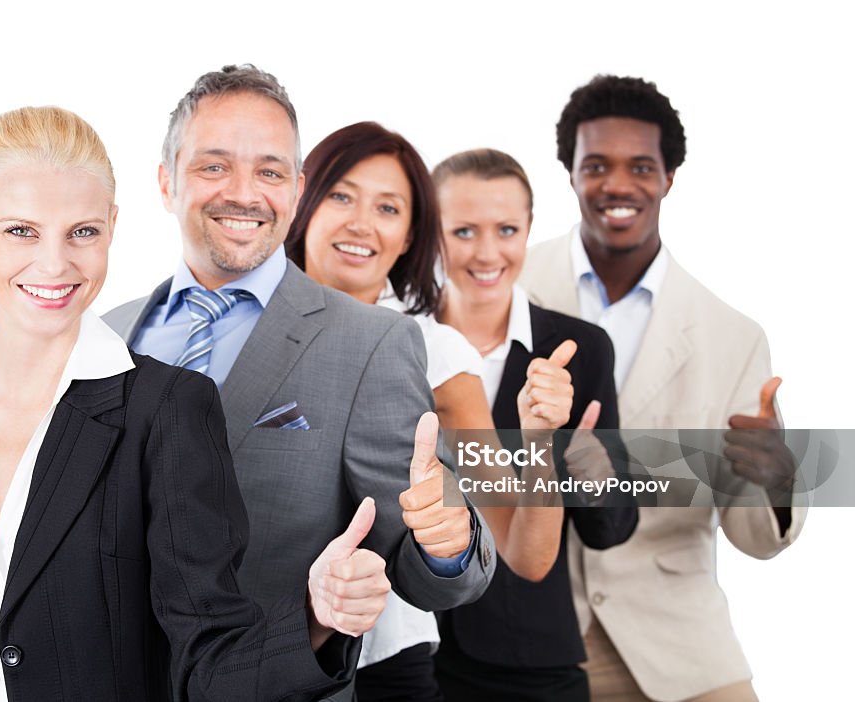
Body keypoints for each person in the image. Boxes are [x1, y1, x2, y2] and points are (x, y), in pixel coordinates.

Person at [0, 106, 393, 702]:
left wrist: (316, 620)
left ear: (110, 227)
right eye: (21, 230)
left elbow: (205, 662)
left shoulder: (166, 410)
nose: (54, 263)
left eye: (81, 232)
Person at [102, 66, 496, 701]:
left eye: (269, 171)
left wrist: (449, 539)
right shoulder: (101, 338)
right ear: (165, 180)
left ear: (295, 188)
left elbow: (435, 574)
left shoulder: (373, 345)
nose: (244, 192)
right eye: (213, 166)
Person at [518, 74, 807, 702]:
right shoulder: (507, 288)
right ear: (569, 172)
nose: (618, 185)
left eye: (641, 167)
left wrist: (777, 479)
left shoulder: (733, 337)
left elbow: (757, 539)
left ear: (669, 178)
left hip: (677, 644)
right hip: (530, 629)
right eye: (596, 165)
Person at [284, 122, 568, 701]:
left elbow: (522, 550)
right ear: (301, 200)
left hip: (383, 666)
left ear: (412, 234)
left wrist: (539, 441)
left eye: (388, 207)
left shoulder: (433, 351)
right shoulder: (237, 325)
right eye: (342, 195)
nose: (362, 223)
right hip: (245, 650)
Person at [427, 148, 637, 701]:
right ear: (431, 231)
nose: (488, 252)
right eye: (464, 231)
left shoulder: (579, 350)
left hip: (526, 655)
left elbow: (608, 531)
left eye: (507, 229)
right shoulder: (396, 338)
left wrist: (591, 474)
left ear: (529, 230)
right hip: (403, 652)